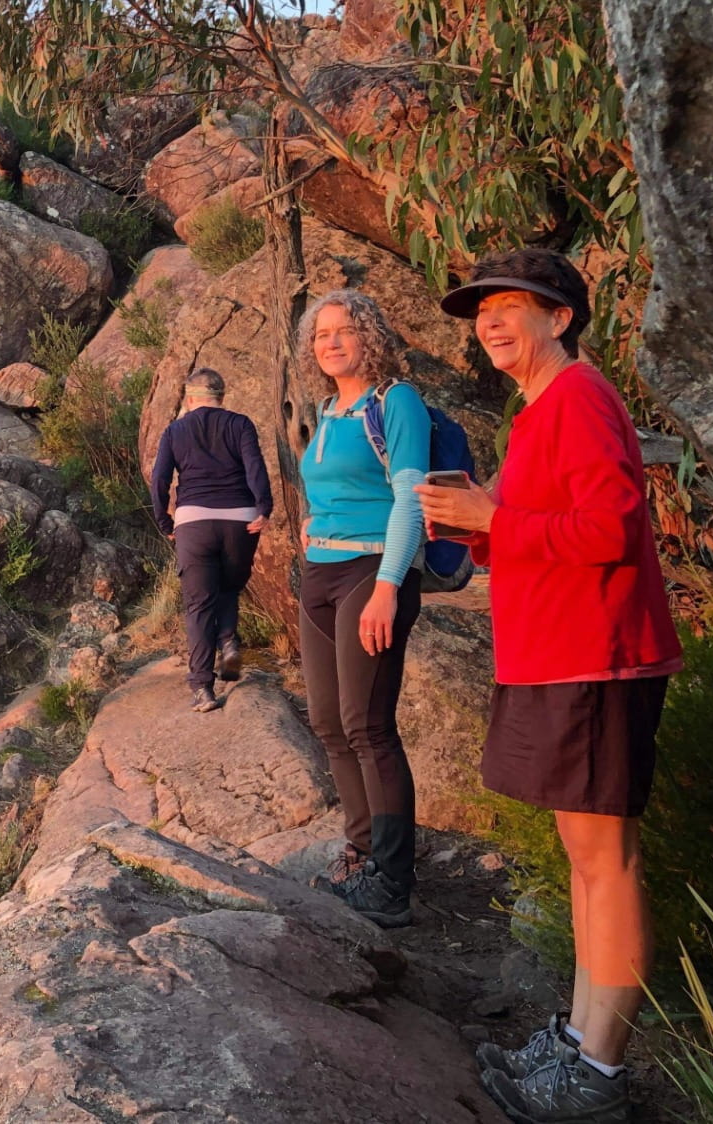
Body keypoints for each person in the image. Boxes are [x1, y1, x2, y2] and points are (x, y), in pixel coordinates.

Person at [418, 248, 681, 1124]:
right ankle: (578, 1036)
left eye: (509, 305)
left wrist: (493, 518)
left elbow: (609, 527)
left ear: (559, 318)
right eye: (480, 309)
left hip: (598, 658)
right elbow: (543, 529)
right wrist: (482, 526)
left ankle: (599, 1077)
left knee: (608, 863)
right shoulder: (535, 414)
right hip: (554, 657)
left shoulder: (580, 398)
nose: (489, 321)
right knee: (583, 859)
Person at [295, 288, 432, 929]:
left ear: (369, 336)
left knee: (369, 725)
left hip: (370, 572)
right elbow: (329, 486)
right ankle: (361, 855)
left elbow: (410, 499)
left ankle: (394, 883)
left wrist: (387, 584)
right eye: (322, 333)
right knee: (327, 722)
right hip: (318, 573)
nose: (331, 341)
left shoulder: (395, 402)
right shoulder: (327, 409)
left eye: (344, 330)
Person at [148, 368, 272, 713]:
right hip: (240, 520)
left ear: (189, 399)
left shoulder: (175, 429)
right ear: (221, 396)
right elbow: (254, 467)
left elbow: (159, 479)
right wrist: (264, 506)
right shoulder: (240, 424)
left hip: (194, 522)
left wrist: (164, 520)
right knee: (229, 587)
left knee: (199, 605)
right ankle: (229, 640)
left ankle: (203, 687)